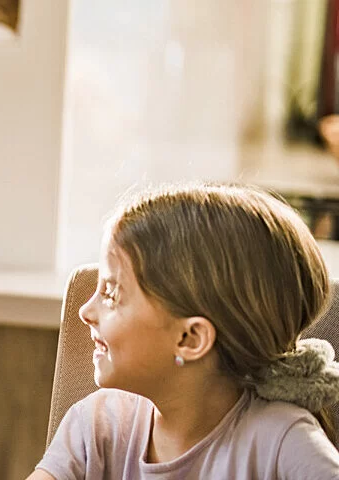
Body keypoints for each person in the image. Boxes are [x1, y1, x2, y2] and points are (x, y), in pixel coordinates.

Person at [30, 184, 339, 479]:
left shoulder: (283, 440)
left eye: (111, 293)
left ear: (190, 339)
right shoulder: (96, 425)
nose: (85, 311)